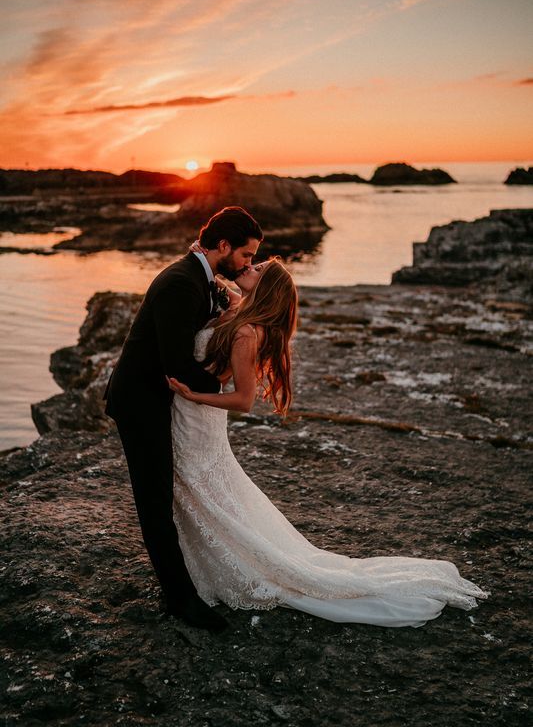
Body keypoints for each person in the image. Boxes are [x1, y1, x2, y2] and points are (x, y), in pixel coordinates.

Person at [168, 257, 488, 627]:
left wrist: (193, 395)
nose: (249, 267)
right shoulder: (242, 313)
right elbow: (228, 294)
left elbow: (243, 399)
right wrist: (207, 266)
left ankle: (223, 565)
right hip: (196, 418)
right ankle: (205, 561)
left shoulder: (246, 332)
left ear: (266, 288)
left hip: (198, 415)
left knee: (200, 489)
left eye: (256, 270)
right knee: (205, 491)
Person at [104, 206, 263, 632]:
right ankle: (180, 598)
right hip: (140, 402)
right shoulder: (181, 283)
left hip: (159, 398)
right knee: (154, 501)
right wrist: (223, 388)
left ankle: (184, 582)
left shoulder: (201, 276)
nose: (248, 264)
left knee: (165, 494)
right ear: (223, 246)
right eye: (246, 255)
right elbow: (176, 361)